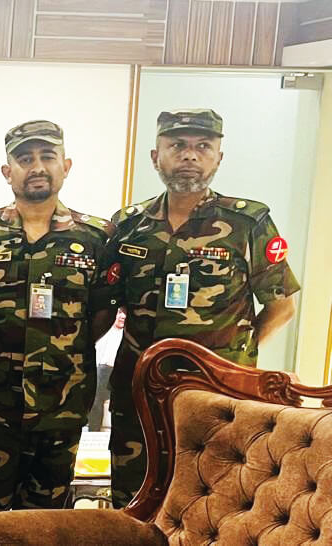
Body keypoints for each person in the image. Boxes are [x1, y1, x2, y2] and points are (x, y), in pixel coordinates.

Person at [97, 108, 301, 506]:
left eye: (203, 146)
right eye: (177, 145)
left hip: (219, 396)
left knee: (215, 502)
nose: (190, 155)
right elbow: (106, 303)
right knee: (133, 500)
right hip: (140, 393)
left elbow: (281, 306)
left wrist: (235, 359)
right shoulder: (128, 225)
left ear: (218, 158)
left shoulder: (247, 222)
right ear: (155, 157)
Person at [0, 120, 114, 528]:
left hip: (60, 407)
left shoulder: (96, 237)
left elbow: (101, 314)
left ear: (66, 166)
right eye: (25, 158)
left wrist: (60, 347)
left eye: (47, 156)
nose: (37, 167)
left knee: (44, 527)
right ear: (7, 171)